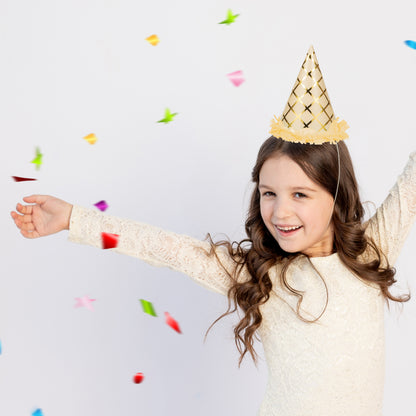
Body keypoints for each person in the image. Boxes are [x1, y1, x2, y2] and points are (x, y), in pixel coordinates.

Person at [10, 46, 416, 416]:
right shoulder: (260, 275)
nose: (280, 211)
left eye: (301, 194)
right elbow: (164, 248)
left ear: (335, 195)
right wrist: (74, 219)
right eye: (269, 193)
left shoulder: (372, 253)